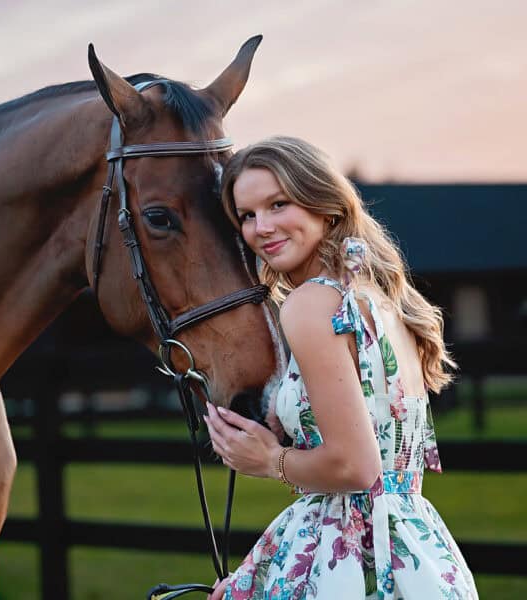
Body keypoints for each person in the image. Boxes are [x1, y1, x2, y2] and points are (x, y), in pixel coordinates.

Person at [204, 136, 478, 599]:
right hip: (417, 548)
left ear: (323, 203)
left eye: (277, 204)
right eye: (247, 216)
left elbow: (355, 466)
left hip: (350, 556)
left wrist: (270, 460)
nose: (261, 227)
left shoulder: (311, 304)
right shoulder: (382, 299)